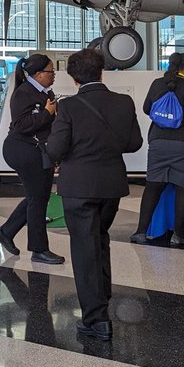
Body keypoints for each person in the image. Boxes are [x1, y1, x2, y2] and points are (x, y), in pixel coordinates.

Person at [45, 48, 143, 341]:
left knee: (84, 248)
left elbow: (56, 148)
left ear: (74, 78)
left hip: (79, 186)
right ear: (102, 72)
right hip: (111, 185)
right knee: (100, 239)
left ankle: (96, 319)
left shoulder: (69, 107)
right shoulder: (124, 102)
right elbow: (134, 143)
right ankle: (103, 296)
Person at [132, 52, 184, 247]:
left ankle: (140, 232)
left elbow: (147, 108)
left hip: (158, 142)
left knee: (152, 187)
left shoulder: (157, 83)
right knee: (183, 189)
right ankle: (178, 235)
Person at [0, 53, 63, 264]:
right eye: (51, 71)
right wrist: (47, 113)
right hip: (23, 149)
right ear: (38, 74)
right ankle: (39, 249)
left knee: (38, 195)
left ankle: (6, 231)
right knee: (38, 198)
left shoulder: (43, 92)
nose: (54, 75)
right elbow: (21, 125)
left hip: (37, 150)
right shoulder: (24, 92)